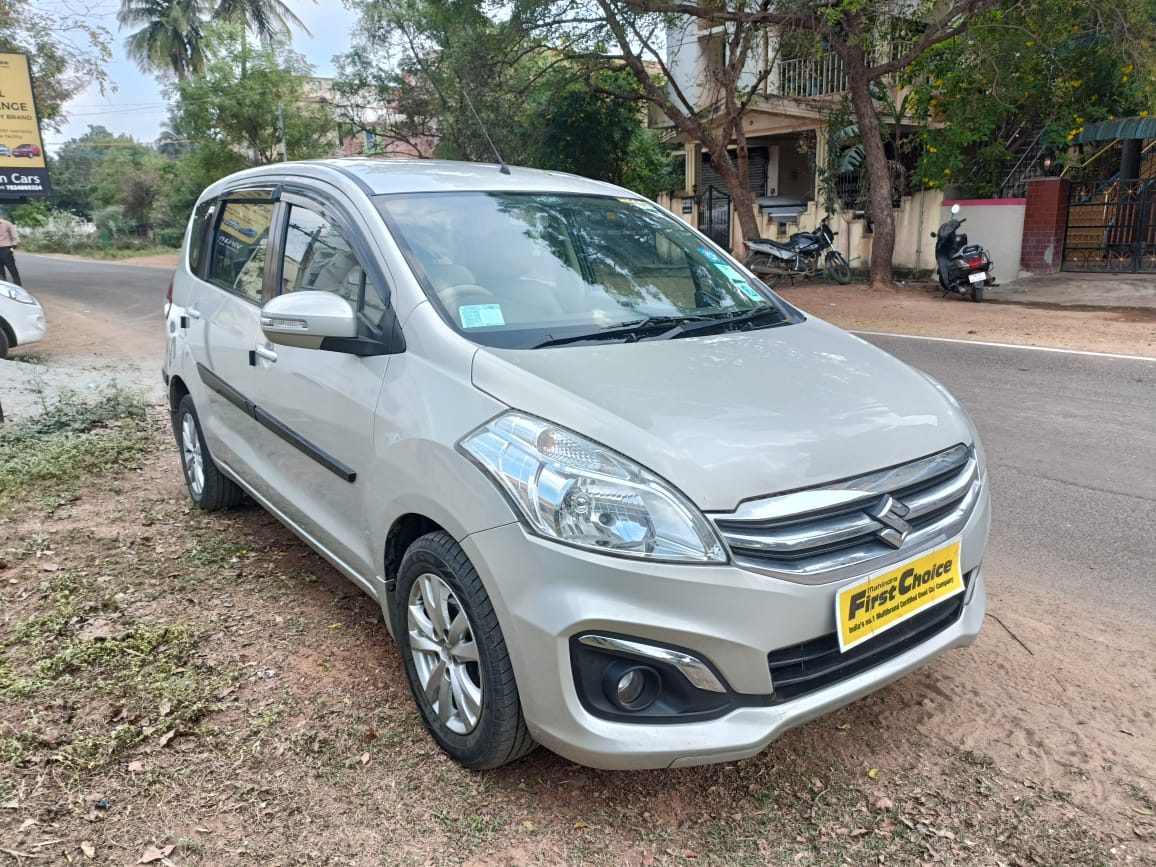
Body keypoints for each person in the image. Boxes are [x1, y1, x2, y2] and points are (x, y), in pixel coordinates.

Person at [0, 216, 21, 286]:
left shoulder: (7, 224)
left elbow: (15, 238)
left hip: (6, 250)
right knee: (1, 274)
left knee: (13, 270)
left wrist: (11, 249)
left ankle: (19, 288)